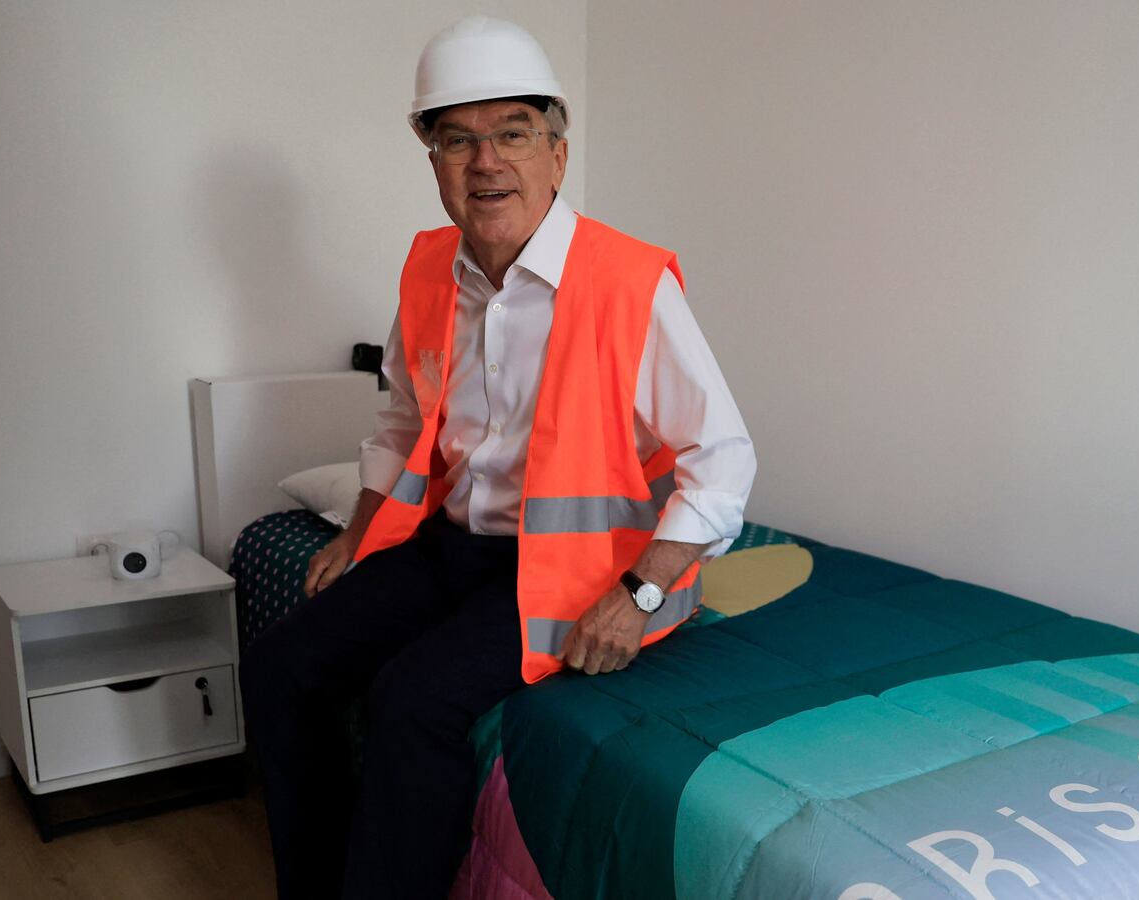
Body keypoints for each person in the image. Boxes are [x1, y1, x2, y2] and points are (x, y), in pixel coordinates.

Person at [239, 16, 754, 899]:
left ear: (557, 151)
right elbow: (405, 421)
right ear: (429, 157)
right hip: (456, 550)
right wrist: (356, 536)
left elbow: (726, 460)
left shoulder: (629, 284)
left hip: (581, 570)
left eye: (513, 131)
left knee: (413, 699)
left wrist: (636, 599)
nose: (487, 162)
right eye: (458, 139)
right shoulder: (430, 269)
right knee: (284, 666)